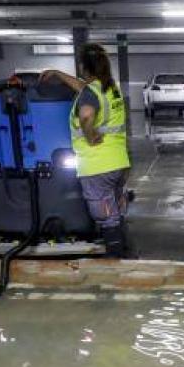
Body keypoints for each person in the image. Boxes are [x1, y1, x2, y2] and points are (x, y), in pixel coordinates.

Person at [41, 43, 132, 257]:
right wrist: (58, 74)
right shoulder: (110, 88)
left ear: (84, 66)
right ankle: (125, 252)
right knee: (115, 212)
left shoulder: (91, 94)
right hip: (118, 162)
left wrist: (90, 136)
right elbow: (83, 88)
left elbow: (86, 115)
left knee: (105, 215)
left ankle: (116, 261)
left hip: (97, 165)